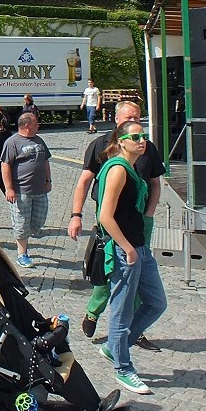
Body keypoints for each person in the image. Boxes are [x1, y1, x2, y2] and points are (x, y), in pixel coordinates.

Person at [68, 100, 164, 348]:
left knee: (137, 276)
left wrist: (149, 214)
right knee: (107, 273)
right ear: (117, 120)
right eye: (129, 117)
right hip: (110, 221)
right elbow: (84, 181)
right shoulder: (101, 146)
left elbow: (155, 183)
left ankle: (134, 331)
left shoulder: (147, 148)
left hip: (139, 221)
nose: (135, 122)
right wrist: (76, 215)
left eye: (139, 117)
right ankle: (93, 312)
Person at [96, 121, 167, 395]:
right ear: (121, 141)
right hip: (126, 250)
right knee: (121, 310)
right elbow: (105, 216)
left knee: (156, 302)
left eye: (144, 136)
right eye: (136, 137)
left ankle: (114, 347)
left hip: (139, 247)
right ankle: (123, 368)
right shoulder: (117, 170)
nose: (142, 141)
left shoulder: (133, 167)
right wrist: (126, 247)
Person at [1, 112, 52, 268]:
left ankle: (24, 237)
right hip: (20, 191)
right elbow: (5, 165)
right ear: (27, 125)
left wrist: (48, 180)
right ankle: (22, 254)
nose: (39, 125)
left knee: (39, 221)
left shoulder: (39, 140)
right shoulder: (12, 142)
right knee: (21, 223)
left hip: (40, 190)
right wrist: (9, 188)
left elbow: (45, 161)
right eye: (36, 122)